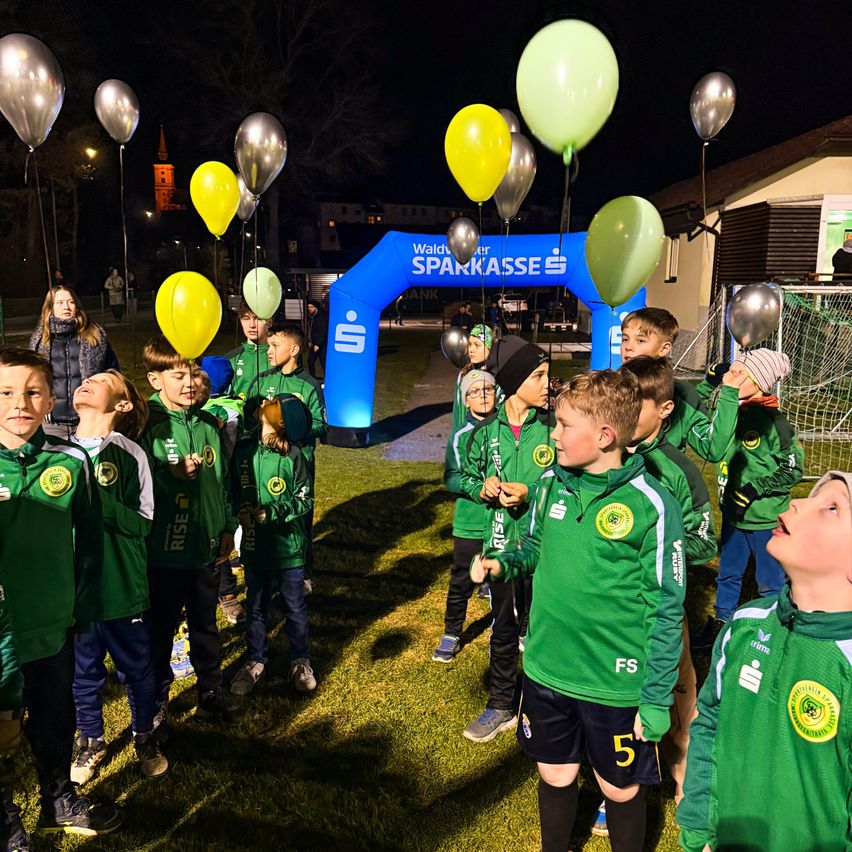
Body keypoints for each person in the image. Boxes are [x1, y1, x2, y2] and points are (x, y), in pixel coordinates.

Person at [473, 370, 686, 852]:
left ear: (606, 436)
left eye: (565, 425)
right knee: (555, 773)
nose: (553, 433)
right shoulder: (550, 482)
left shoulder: (653, 505)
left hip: (614, 685)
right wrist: (503, 564)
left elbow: (666, 609)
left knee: (618, 787)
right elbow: (533, 546)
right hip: (548, 670)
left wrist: (654, 699)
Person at [677, 470, 852, 852]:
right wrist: (697, 828)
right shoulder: (745, 623)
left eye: (833, 507)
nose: (798, 502)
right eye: (812, 495)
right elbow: (709, 723)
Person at [0, 348, 121, 841]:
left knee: (54, 720)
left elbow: (90, 542)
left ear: (51, 401)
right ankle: (6, 817)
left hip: (54, 623)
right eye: (6, 392)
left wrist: (82, 608)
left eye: (32, 392)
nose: (20, 403)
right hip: (2, 633)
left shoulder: (70, 461)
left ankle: (57, 799)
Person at [619, 357, 717, 802]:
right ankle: (616, 782)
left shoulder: (678, 471)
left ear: (664, 410)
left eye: (634, 404)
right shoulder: (606, 457)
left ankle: (684, 776)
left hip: (660, 608)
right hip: (611, 606)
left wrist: (662, 549)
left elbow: (705, 540)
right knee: (616, 690)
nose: (622, 412)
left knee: (679, 689)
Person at [69, 371, 168, 783]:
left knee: (137, 669)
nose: (88, 380)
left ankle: (144, 735)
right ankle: (90, 739)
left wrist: (99, 503)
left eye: (105, 378)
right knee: (83, 671)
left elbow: (143, 522)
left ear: (122, 405)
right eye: (88, 376)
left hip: (123, 588)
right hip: (74, 593)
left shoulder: (131, 454)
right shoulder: (57, 452)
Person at [138, 337, 238, 736]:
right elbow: (135, 487)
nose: (189, 383)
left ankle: (209, 690)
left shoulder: (209, 423)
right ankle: (157, 700)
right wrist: (170, 475)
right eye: (178, 375)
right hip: (164, 552)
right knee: (160, 630)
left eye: (194, 374)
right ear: (155, 379)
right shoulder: (148, 425)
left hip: (206, 550)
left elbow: (224, 482)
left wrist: (227, 526)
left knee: (205, 625)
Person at [459, 335, 552, 742]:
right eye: (539, 376)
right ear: (514, 383)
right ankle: (500, 704)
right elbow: (465, 473)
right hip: (500, 543)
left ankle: (541, 706)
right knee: (503, 626)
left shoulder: (553, 427)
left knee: (543, 629)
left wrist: (531, 492)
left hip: (545, 547)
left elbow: (566, 478)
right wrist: (484, 484)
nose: (549, 383)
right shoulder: (485, 429)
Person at [694, 348, 804, 649]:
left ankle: (774, 631)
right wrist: (709, 382)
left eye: (742, 373)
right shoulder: (729, 412)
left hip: (765, 520)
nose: (733, 376)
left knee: (769, 582)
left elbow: (794, 468)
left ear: (760, 382)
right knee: (728, 574)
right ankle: (721, 624)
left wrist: (757, 489)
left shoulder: (774, 423)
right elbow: (694, 418)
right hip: (732, 517)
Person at [229, 395, 316, 695]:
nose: (266, 400)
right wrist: (241, 509)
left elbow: (305, 500)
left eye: (274, 403)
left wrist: (273, 512)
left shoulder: (294, 456)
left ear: (280, 421)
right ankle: (255, 660)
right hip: (255, 547)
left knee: (294, 606)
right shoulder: (244, 449)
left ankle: (300, 660)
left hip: (288, 549)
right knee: (255, 605)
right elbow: (234, 489)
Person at [433, 370, 497, 663]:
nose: (482, 395)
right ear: (465, 400)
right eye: (474, 392)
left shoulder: (508, 430)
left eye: (488, 390)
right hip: (470, 521)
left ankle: (509, 627)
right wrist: (477, 489)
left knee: (506, 578)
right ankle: (452, 631)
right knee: (461, 578)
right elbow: (451, 478)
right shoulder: (460, 436)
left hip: (504, 521)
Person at [256, 324, 327, 590]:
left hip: (298, 462)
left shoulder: (309, 385)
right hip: (267, 463)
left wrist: (294, 428)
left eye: (275, 346)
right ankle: (268, 564)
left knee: (299, 515)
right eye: (269, 346)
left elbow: (322, 425)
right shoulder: (264, 380)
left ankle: (304, 570)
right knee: (268, 509)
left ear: (294, 350)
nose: (269, 351)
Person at [620, 307, 741, 462]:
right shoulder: (606, 386)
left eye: (640, 340)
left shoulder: (680, 396)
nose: (628, 347)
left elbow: (713, 449)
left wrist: (729, 392)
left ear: (664, 348)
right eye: (625, 339)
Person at [197, 357, 245, 625]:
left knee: (219, 540)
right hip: (218, 482)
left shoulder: (224, 411)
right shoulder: (237, 403)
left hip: (219, 482)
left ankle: (227, 594)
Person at [29, 285, 109, 438]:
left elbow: (112, 373)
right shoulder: (39, 341)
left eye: (70, 302)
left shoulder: (96, 336)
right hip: (53, 423)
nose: (66, 306)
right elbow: (31, 381)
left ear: (76, 306)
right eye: (59, 303)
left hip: (89, 419)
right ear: (50, 308)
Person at [226, 302, 269, 399]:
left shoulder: (280, 357)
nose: (252, 325)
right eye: (246, 318)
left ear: (269, 321)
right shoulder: (230, 359)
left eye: (257, 318)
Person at [306, 300, 328, 379]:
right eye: (308, 307)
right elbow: (312, 330)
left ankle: (327, 378)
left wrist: (317, 344)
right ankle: (312, 377)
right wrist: (310, 341)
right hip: (315, 343)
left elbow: (323, 331)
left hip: (320, 345)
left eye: (311, 307)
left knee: (322, 362)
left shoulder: (320, 317)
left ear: (316, 308)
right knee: (311, 361)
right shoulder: (313, 316)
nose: (309, 309)